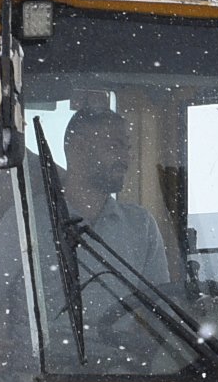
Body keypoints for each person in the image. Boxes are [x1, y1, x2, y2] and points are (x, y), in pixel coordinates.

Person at [61, 106, 173, 290]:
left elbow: (159, 306)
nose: (126, 157)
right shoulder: (31, 223)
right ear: (78, 148)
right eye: (114, 146)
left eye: (127, 148)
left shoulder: (140, 225)